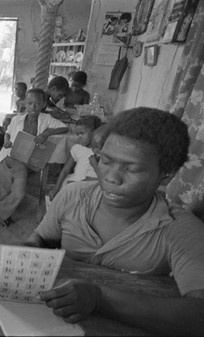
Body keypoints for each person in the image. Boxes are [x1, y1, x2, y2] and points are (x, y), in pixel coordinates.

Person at [25, 107, 204, 335]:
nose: (110, 177)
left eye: (131, 168)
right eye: (106, 161)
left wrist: (100, 300)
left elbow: (200, 314)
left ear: (165, 175)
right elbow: (43, 238)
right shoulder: (73, 195)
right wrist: (28, 250)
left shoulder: (178, 229)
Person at [0, 88, 68, 227]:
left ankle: (1, 211)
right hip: (7, 157)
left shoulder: (46, 119)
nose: (33, 107)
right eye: (29, 103)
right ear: (24, 103)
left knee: (19, 192)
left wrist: (47, 133)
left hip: (22, 162)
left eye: (37, 103)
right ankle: (4, 215)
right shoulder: (17, 119)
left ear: (43, 104)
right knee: (4, 188)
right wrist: (6, 140)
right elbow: (8, 132)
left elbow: (64, 128)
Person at [49, 115, 102, 200]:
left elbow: (102, 176)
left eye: (82, 133)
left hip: (92, 185)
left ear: (95, 132)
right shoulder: (77, 148)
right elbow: (65, 170)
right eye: (78, 134)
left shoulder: (101, 152)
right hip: (76, 180)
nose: (79, 136)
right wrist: (56, 188)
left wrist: (95, 164)